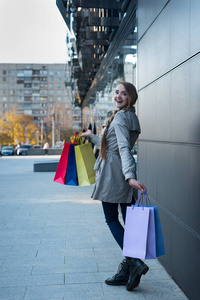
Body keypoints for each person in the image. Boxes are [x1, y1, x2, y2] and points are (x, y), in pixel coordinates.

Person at [81, 82, 149, 292]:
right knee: (128, 220)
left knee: (111, 218)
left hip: (114, 173)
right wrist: (93, 137)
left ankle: (134, 262)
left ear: (131, 97)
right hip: (121, 170)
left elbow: (122, 147)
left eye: (124, 93)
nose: (118, 96)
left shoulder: (119, 117)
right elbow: (115, 143)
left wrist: (129, 177)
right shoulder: (131, 116)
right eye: (116, 92)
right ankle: (127, 270)